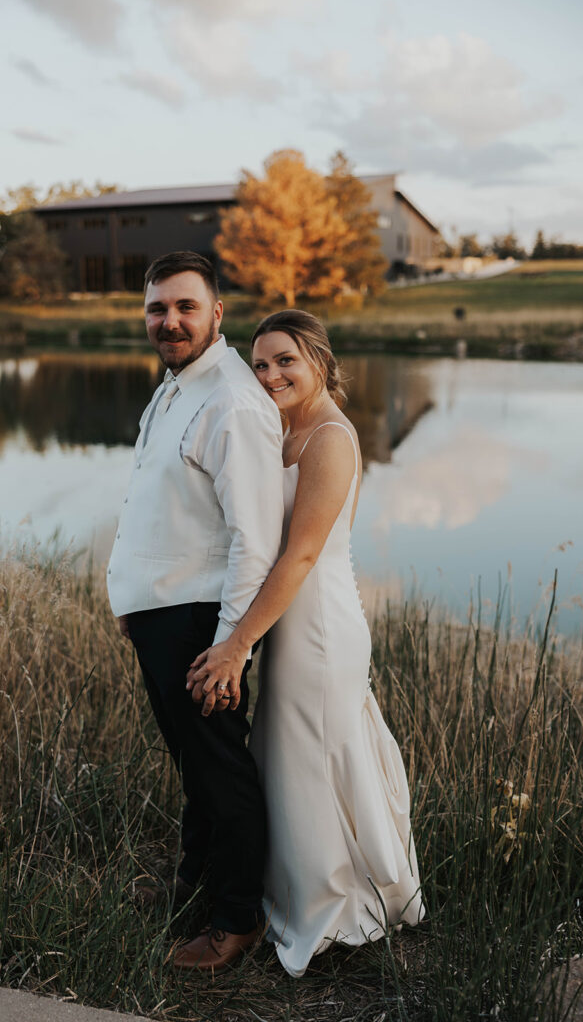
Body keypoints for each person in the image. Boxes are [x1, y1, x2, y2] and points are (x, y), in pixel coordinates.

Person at [187, 309, 425, 977]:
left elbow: (299, 557)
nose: (269, 375)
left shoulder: (331, 437)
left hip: (319, 624)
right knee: (285, 754)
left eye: (284, 360)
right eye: (259, 364)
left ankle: (328, 904)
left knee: (311, 753)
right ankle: (282, 887)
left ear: (318, 358)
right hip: (282, 620)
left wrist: (234, 646)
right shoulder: (277, 429)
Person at [106, 251, 284, 970]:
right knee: (193, 765)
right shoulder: (179, 383)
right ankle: (195, 884)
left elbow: (254, 538)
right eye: (157, 308)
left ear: (217, 313)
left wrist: (233, 644)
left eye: (184, 307)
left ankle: (236, 919)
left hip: (201, 618)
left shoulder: (234, 402)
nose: (169, 321)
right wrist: (129, 598)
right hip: (159, 607)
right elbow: (155, 501)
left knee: (220, 770)